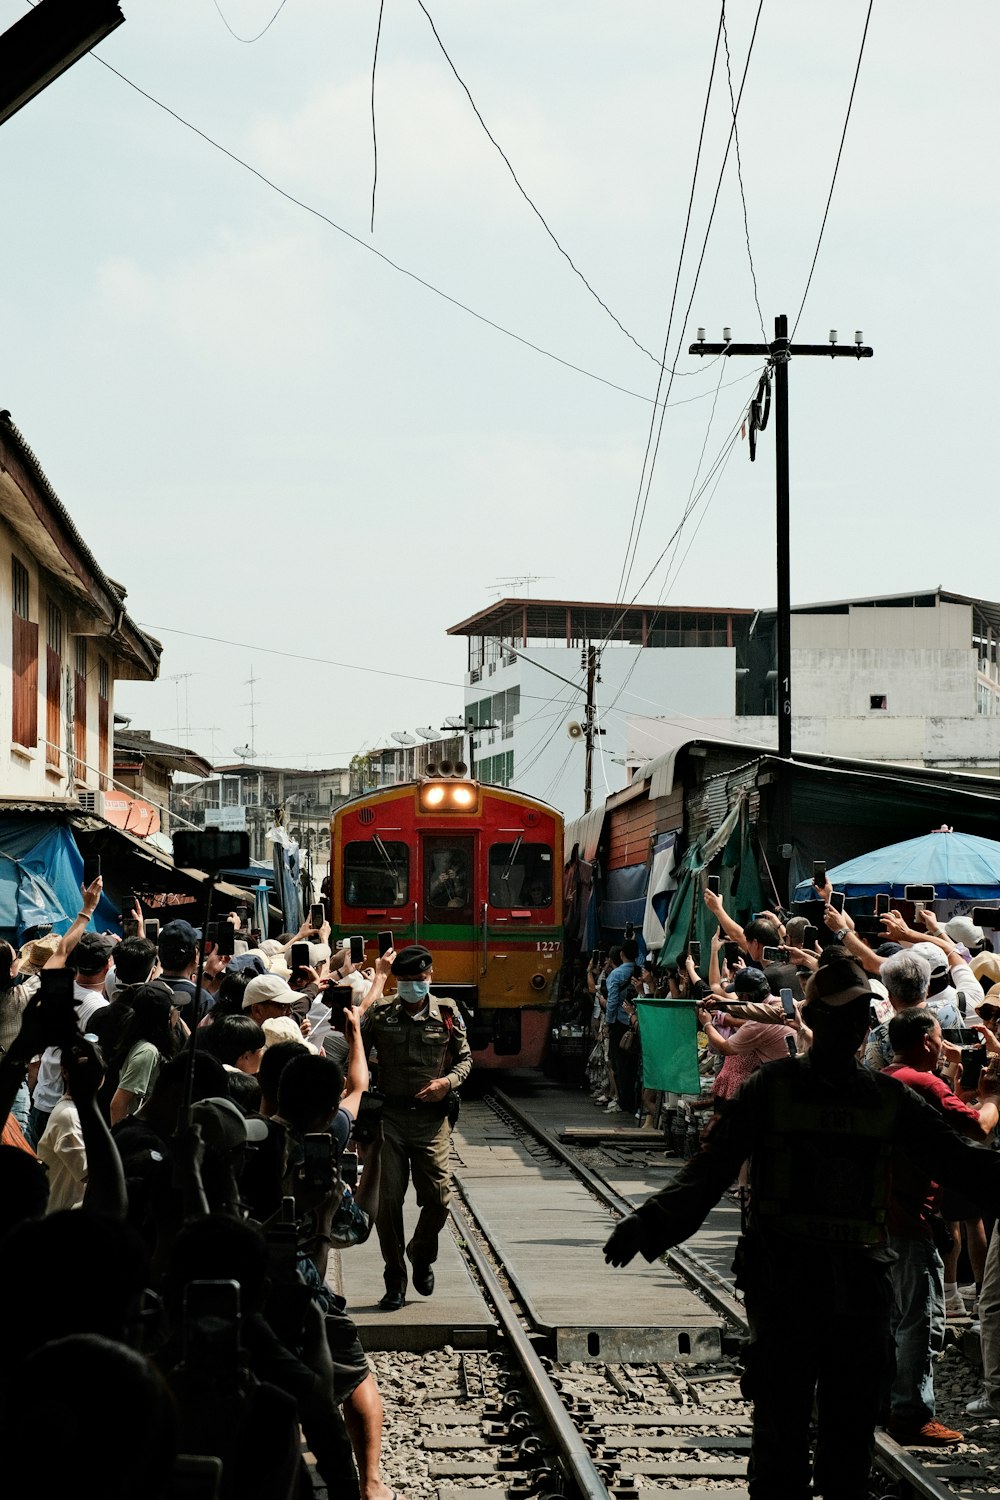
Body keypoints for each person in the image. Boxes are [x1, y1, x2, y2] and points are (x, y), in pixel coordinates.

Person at [604, 949, 1000, 1497]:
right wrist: (648, 1225)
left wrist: (649, 1225)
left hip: (791, 1287)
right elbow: (962, 1162)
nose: (850, 1028)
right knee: (840, 1437)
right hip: (852, 1292)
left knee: (786, 1436)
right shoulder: (882, 1099)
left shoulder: (778, 1089)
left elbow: (708, 1172)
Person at [881, 1007, 998, 1445]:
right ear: (928, 1041)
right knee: (920, 1319)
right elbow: (978, 1128)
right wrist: (993, 1097)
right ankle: (911, 1412)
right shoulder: (922, 1082)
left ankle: (887, 1401)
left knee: (895, 1316)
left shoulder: (889, 1076)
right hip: (909, 1217)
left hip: (884, 1212)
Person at [361, 943, 471, 1309]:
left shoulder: (448, 1013)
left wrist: (447, 1083)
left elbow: (466, 1059)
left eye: (419, 979)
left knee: (438, 1198)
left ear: (430, 976)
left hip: (431, 1120)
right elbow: (355, 1047)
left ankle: (421, 1253)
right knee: (389, 1203)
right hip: (390, 1117)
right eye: (405, 980)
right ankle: (395, 1280)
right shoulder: (380, 1013)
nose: (413, 986)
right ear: (397, 981)